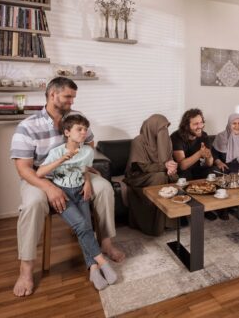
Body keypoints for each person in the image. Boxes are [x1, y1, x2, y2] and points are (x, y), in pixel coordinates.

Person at [10, 77, 124, 297]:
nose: (72, 102)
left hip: (75, 175)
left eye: (73, 97)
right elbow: (24, 169)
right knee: (32, 204)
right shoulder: (28, 126)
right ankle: (25, 270)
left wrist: (85, 169)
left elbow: (89, 144)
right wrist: (49, 188)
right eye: (68, 97)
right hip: (40, 178)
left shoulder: (75, 120)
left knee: (105, 187)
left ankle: (107, 243)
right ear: (53, 95)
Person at [36, 114, 118, 290]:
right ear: (67, 132)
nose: (84, 132)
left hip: (80, 192)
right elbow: (39, 174)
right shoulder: (56, 152)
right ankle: (103, 262)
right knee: (81, 225)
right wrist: (62, 159)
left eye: (85, 129)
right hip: (63, 194)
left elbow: (84, 169)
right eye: (79, 129)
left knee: (86, 227)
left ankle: (93, 268)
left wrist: (88, 182)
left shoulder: (87, 151)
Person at [124, 114, 178, 235]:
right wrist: (165, 166)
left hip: (159, 173)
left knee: (171, 177)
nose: (164, 132)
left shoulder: (166, 141)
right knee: (160, 176)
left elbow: (169, 160)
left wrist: (172, 167)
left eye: (166, 128)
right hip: (138, 176)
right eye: (161, 129)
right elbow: (142, 167)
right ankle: (154, 226)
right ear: (152, 127)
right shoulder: (139, 141)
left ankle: (169, 222)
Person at [170, 108, 216, 220]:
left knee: (211, 173)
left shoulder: (204, 136)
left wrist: (209, 155)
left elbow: (209, 163)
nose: (200, 126)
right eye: (196, 124)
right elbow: (182, 165)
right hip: (183, 171)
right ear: (186, 125)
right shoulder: (176, 137)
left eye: (201, 122)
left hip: (199, 169)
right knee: (186, 175)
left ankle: (206, 208)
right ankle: (186, 212)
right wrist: (200, 153)